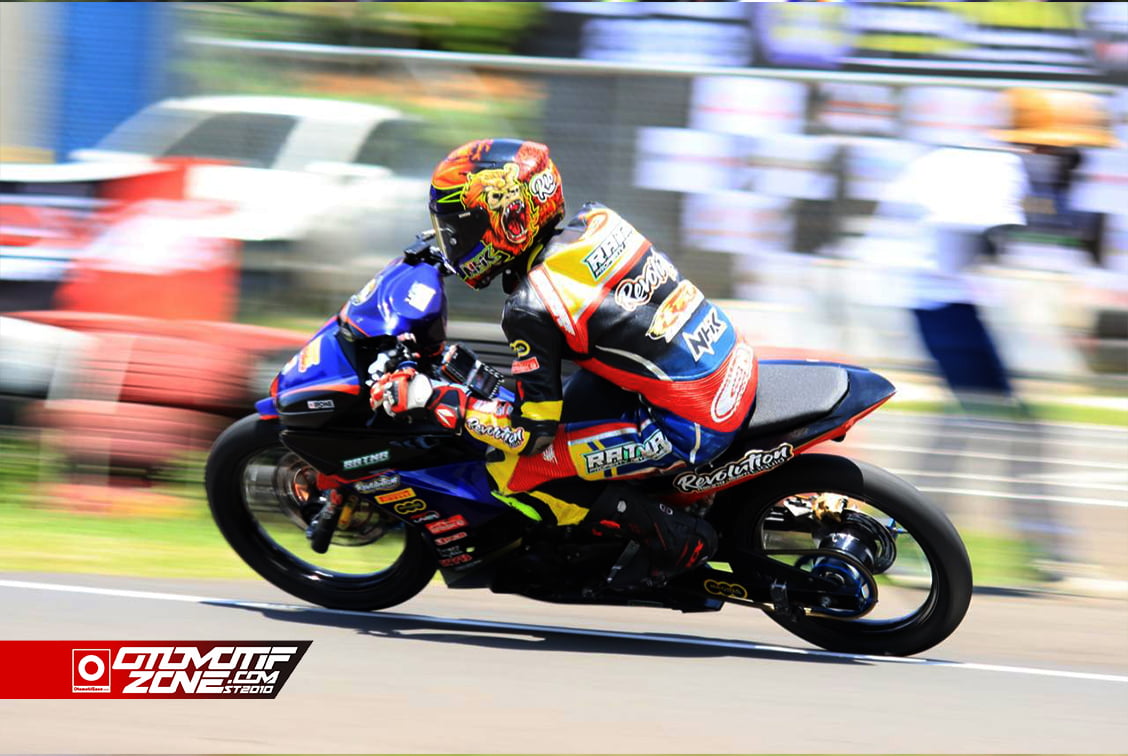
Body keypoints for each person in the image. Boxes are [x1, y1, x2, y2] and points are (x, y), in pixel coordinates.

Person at [370, 138, 757, 589]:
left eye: (461, 229)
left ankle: (673, 537)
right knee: (572, 407)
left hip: (691, 421)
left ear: (508, 220)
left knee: (514, 471)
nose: (454, 243)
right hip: (727, 361)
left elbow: (530, 433)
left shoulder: (530, 305)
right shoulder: (598, 220)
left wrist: (439, 400)